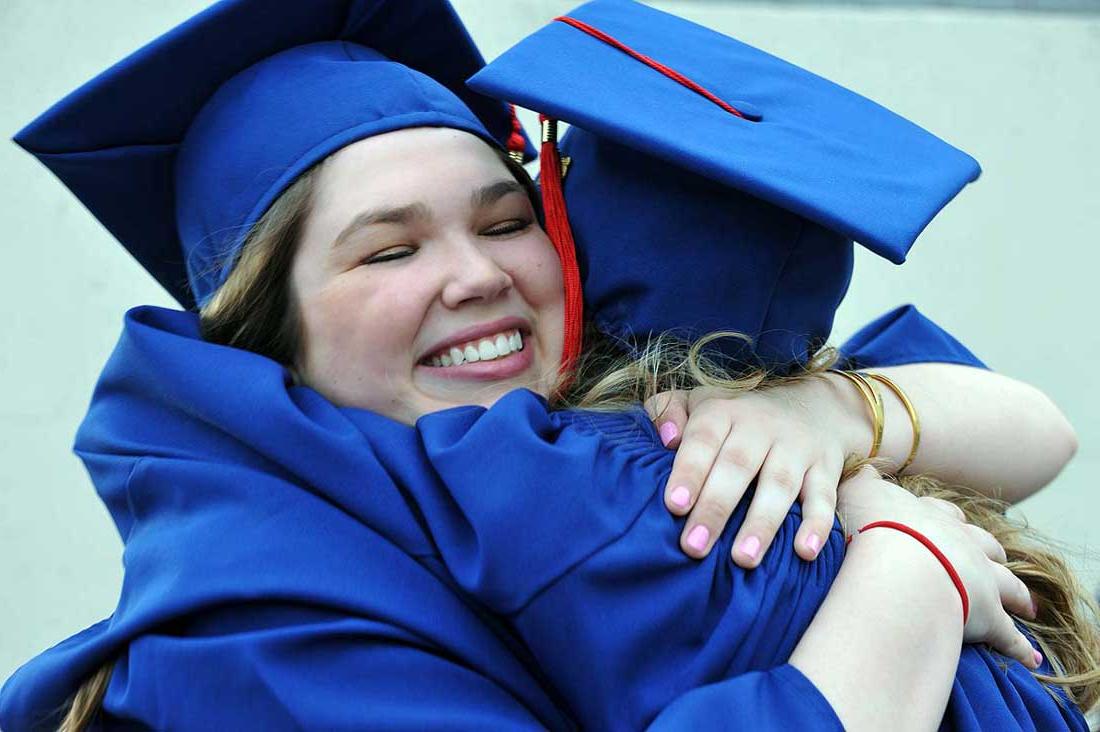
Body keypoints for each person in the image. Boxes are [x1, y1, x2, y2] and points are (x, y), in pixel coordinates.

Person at [1, 0, 1093, 730]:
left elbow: (1030, 428)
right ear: (263, 335)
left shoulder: (617, 428)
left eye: (504, 218)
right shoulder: (251, 644)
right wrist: (910, 569)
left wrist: (831, 414)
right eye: (388, 249)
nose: (477, 275)